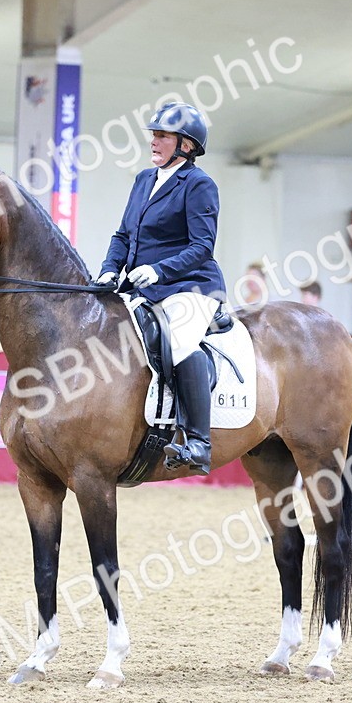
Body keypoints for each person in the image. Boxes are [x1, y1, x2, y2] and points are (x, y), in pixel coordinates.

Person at [95, 101, 224, 476]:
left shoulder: (200, 185)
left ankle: (198, 442)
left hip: (190, 285)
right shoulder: (143, 180)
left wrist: (158, 270)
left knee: (182, 341)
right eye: (153, 134)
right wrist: (108, 270)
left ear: (185, 144)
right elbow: (123, 235)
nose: (154, 141)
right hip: (143, 286)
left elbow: (202, 247)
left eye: (162, 136)